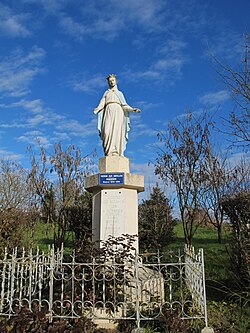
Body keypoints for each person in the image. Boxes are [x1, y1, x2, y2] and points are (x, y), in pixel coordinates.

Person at [94, 74, 141, 157]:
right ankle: (109, 152)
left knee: (117, 131)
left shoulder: (119, 93)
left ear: (116, 81)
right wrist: (97, 109)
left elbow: (124, 105)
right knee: (106, 132)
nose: (111, 82)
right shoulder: (106, 93)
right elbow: (102, 103)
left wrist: (132, 109)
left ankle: (117, 151)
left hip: (118, 112)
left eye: (113, 80)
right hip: (108, 112)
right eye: (110, 81)